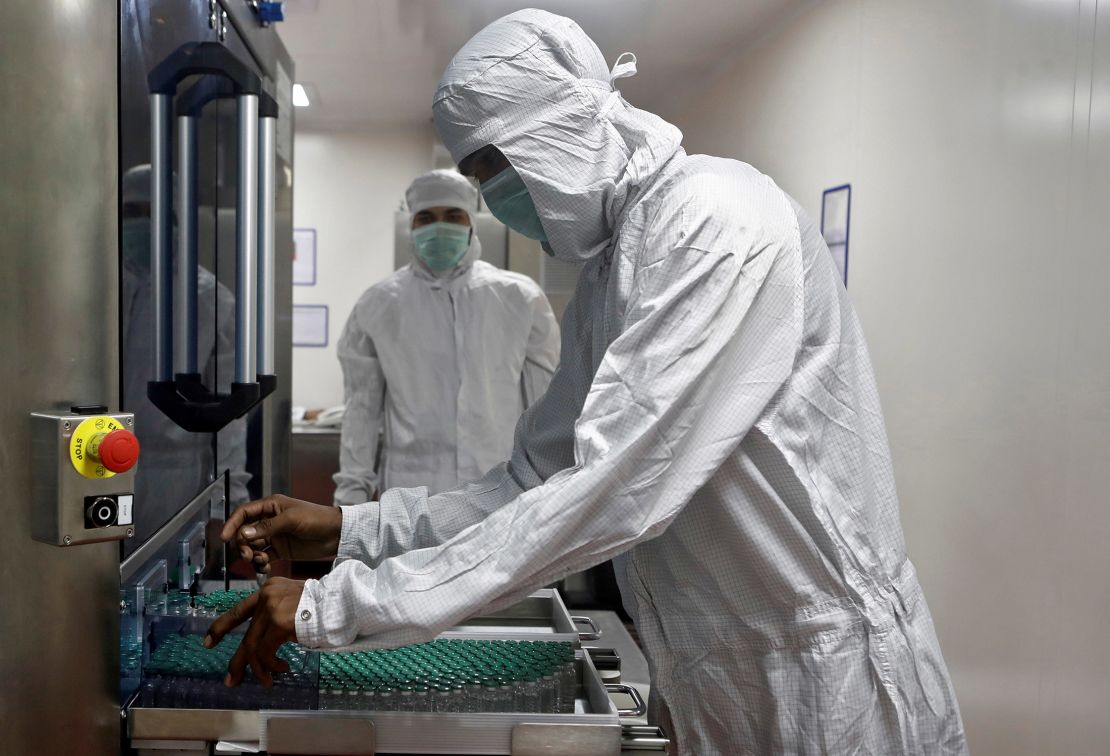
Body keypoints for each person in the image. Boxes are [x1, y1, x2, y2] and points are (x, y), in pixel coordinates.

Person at [206, 10, 968, 754]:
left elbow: (611, 488)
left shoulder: (717, 222)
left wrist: (336, 604)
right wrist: (350, 530)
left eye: (489, 173)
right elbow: (532, 480)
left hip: (823, 678)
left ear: (554, 129)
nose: (491, 200)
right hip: (713, 674)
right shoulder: (611, 273)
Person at [332, 169, 560, 504]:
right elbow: (361, 411)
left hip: (500, 493)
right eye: (426, 217)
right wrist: (350, 499)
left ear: (471, 223)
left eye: (453, 216)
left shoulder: (519, 298)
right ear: (411, 226)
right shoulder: (378, 305)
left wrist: (549, 486)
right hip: (411, 497)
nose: (440, 227)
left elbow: (545, 404)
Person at [120, 165, 250, 551]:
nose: (142, 223)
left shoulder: (210, 299)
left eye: (156, 212)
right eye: (132, 212)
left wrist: (224, 508)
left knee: (169, 594)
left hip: (178, 485)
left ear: (177, 221)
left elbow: (230, 418)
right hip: (99, 470)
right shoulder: (99, 291)